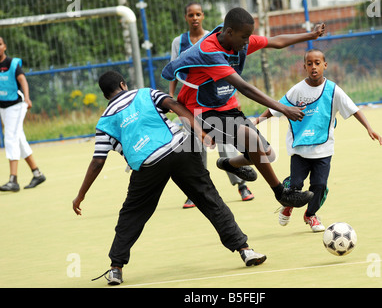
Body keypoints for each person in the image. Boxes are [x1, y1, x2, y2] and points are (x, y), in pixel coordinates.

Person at [72, 71, 266, 286]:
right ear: (122, 84)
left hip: (148, 165)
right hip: (180, 149)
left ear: (105, 95)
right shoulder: (146, 93)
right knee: (210, 199)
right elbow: (174, 105)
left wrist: (80, 196)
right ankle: (245, 250)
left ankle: (116, 268)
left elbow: (97, 162)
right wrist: (200, 132)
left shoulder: (104, 122)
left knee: (132, 215)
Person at [162, 7, 325, 208]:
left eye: (249, 36)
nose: (248, 41)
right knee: (251, 139)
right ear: (229, 32)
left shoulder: (238, 39)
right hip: (200, 110)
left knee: (267, 155)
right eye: (244, 37)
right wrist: (284, 108)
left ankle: (228, 164)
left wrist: (311, 35)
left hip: (222, 106)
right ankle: (281, 193)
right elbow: (245, 88)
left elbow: (276, 41)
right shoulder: (209, 51)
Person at [254, 49, 382, 231]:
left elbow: (353, 109)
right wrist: (256, 122)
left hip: (324, 149)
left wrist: (369, 128)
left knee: (319, 186)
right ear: (304, 66)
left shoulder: (333, 90)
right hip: (300, 149)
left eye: (317, 63)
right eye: (309, 63)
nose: (313, 67)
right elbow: (276, 108)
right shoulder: (297, 90)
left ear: (325, 65)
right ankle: (288, 203)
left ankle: (310, 215)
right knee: (296, 184)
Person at [170, 2, 254, 209]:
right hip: (191, 100)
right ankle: (195, 192)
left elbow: (229, 71)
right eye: (191, 14)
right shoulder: (178, 42)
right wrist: (170, 97)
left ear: (203, 16)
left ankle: (241, 185)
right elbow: (174, 69)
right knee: (195, 145)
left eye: (198, 14)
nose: (195, 17)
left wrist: (234, 98)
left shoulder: (217, 37)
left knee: (226, 143)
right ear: (186, 17)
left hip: (217, 98)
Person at [0, 36, 46, 192]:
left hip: (17, 105)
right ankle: (37, 173)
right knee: (18, 137)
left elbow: (23, 80)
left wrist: (27, 97)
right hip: (3, 107)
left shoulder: (12, 64)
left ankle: (13, 180)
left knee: (10, 137)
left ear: (4, 46)